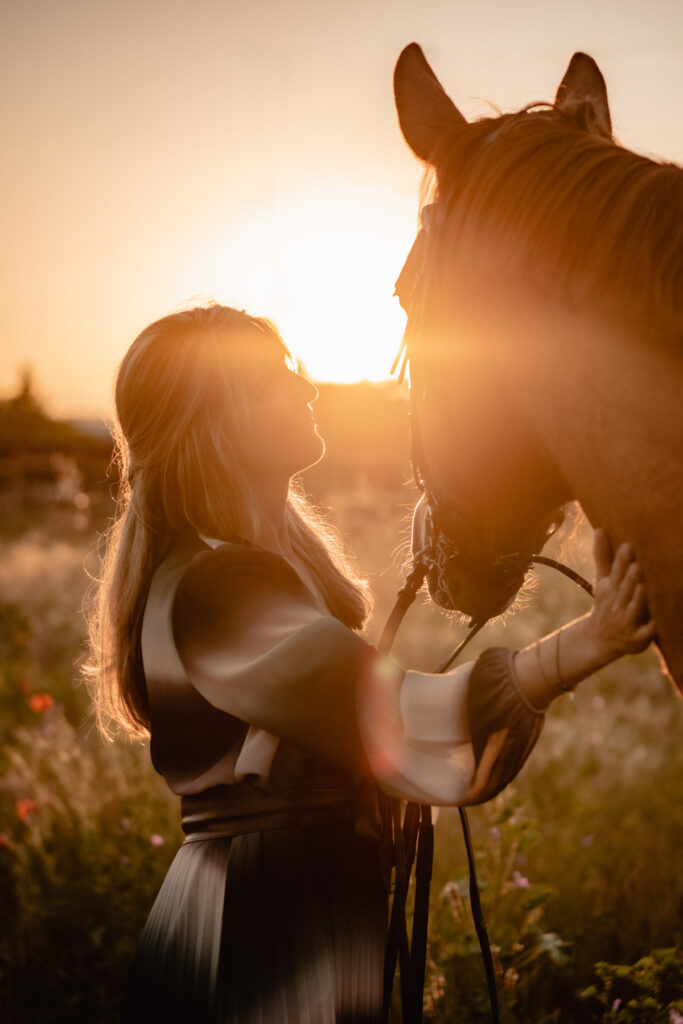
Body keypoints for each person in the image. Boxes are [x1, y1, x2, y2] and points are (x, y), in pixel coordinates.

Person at [85, 303, 655, 1024]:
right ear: (216, 418)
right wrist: (585, 643)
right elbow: (409, 718)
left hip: (290, 902)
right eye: (274, 376)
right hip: (260, 925)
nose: (307, 388)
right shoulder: (214, 587)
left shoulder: (242, 572)